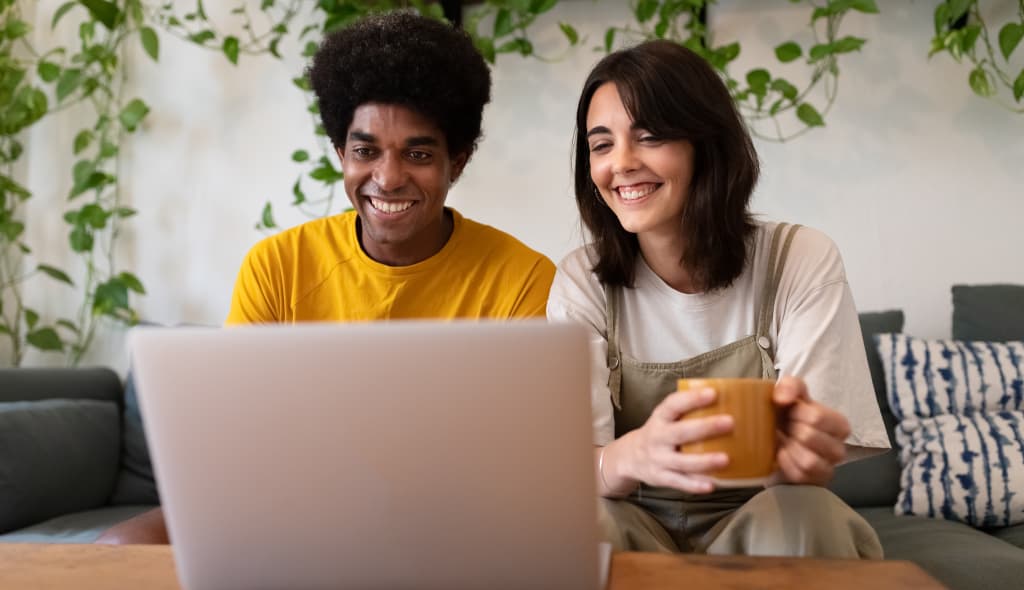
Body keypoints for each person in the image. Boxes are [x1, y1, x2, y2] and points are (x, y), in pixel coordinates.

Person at [96, 11, 554, 545]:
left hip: (448, 515)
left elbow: (516, 462)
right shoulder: (277, 265)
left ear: (458, 160)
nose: (387, 177)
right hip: (288, 502)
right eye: (365, 151)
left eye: (419, 153)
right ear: (341, 153)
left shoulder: (522, 278)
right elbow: (241, 433)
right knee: (120, 549)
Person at [546, 40, 890, 557]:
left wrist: (798, 457)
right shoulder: (582, 280)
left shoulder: (799, 258)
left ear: (706, 144)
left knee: (806, 514)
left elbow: (802, 472)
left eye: (650, 136)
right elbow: (578, 468)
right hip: (631, 516)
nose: (622, 163)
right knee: (575, 522)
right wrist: (635, 453)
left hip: (761, 514)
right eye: (601, 145)